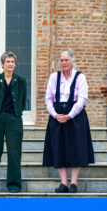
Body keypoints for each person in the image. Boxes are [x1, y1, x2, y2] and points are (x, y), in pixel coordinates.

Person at [42, 51, 94, 193]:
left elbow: (83, 98)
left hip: (75, 116)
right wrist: (55, 114)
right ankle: (63, 183)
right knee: (59, 148)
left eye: (66, 60)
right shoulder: (54, 77)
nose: (64, 62)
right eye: (62, 60)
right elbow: (48, 98)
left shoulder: (80, 77)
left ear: (72, 61)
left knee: (76, 148)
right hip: (57, 115)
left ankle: (74, 183)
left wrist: (70, 115)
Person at [0, 51, 27, 193]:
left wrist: (16, 113)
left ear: (15, 64)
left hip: (14, 119)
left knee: (14, 153)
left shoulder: (21, 80)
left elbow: (22, 100)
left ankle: (14, 185)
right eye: (7, 61)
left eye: (12, 62)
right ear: (2, 64)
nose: (10, 64)